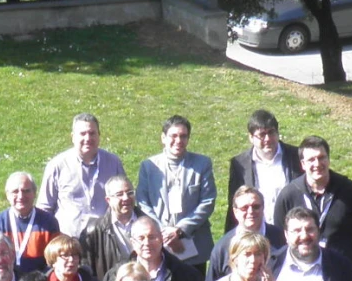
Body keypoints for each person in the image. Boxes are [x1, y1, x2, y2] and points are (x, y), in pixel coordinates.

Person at [273, 136, 352, 267]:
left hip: (343, 270)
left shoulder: (350, 191)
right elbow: (280, 235)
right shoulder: (289, 195)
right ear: (302, 164)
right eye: (311, 160)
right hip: (303, 268)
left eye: (321, 158)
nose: (317, 164)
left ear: (328, 159)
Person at [136, 115, 217, 265]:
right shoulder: (148, 166)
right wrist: (164, 233)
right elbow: (142, 203)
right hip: (158, 245)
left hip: (193, 245)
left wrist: (179, 230)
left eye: (183, 136)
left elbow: (207, 202)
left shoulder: (202, 164)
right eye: (173, 136)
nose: (178, 141)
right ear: (163, 138)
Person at [39, 112, 126, 235]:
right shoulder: (57, 165)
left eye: (92, 133)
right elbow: (45, 208)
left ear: (99, 136)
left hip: (105, 238)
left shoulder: (113, 163)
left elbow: (124, 199)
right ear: (73, 137)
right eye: (82, 134)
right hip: (69, 241)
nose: (87, 138)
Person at [225, 111, 300, 234]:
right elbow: (234, 206)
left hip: (291, 232)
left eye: (271, 132)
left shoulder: (296, 157)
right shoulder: (239, 164)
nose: (268, 139)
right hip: (256, 233)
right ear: (251, 137)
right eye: (262, 135)